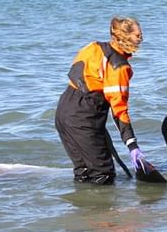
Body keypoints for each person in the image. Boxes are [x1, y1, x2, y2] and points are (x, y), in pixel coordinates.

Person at [54, 16, 145, 185]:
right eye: (138, 35)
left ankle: (85, 210)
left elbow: (76, 72)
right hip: (84, 116)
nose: (142, 39)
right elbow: (119, 110)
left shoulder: (93, 47)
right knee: (103, 174)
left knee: (84, 172)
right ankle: (105, 211)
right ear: (124, 37)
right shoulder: (119, 67)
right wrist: (132, 146)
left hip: (64, 110)